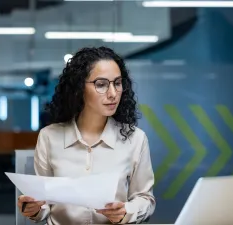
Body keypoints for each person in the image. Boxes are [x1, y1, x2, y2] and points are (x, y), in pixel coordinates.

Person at [17, 46, 156, 224]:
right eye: (101, 85)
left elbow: (146, 199)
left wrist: (126, 211)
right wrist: (34, 208)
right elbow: (44, 205)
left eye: (117, 83)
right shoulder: (49, 137)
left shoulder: (135, 139)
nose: (113, 93)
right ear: (79, 88)